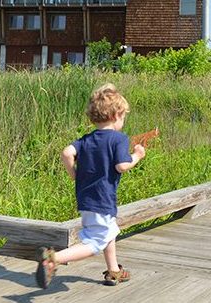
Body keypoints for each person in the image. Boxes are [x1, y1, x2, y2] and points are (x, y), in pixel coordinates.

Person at [35, 83, 146, 289]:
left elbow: (67, 153)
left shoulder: (86, 139)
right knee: (95, 243)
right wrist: (137, 156)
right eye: (123, 117)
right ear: (116, 116)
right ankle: (53, 259)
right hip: (103, 199)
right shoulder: (119, 139)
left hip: (86, 198)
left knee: (108, 231)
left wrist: (74, 175)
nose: (123, 121)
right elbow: (122, 166)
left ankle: (114, 271)